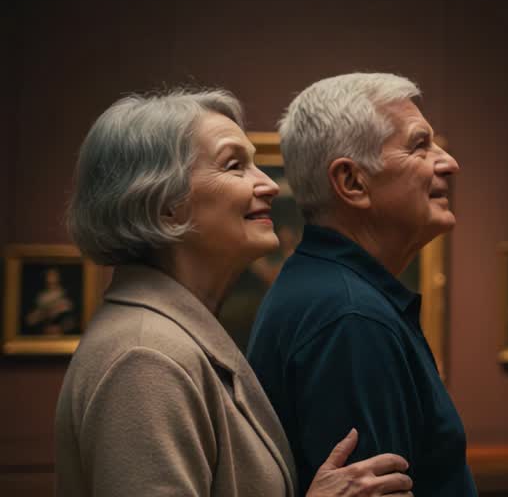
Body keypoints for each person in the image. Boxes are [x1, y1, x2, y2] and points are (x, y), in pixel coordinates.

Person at [55, 88, 412, 497]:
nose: (269, 185)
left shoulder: (170, 337)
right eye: (235, 166)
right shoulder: (145, 357)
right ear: (164, 202)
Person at [247, 73, 475, 496]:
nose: (448, 162)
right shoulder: (350, 317)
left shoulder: (329, 291)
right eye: (420, 145)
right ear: (352, 182)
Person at [26, 268, 75, 335]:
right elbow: (30, 321)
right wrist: (44, 314)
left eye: (54, 277)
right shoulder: (40, 298)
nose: (51, 279)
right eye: (49, 277)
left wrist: (61, 327)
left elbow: (71, 323)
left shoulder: (65, 298)